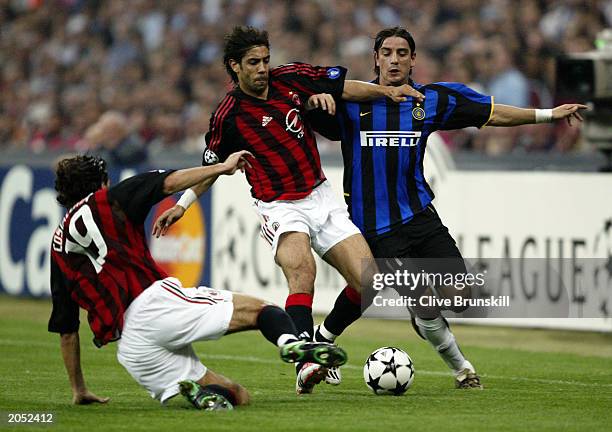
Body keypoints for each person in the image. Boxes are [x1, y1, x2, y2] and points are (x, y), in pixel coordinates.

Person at [305, 26, 587, 389]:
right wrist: (316, 102)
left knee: (460, 297)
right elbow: (302, 109)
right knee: (414, 297)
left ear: (413, 60)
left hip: (420, 216)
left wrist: (549, 114)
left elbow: (492, 114)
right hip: (375, 227)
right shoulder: (351, 102)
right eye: (387, 52)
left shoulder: (431, 100)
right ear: (375, 59)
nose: (394, 59)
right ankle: (462, 370)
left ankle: (330, 335)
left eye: (402, 53)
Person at [153, 26, 425, 395]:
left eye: (265, 60)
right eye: (253, 63)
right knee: (302, 270)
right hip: (279, 205)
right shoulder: (228, 117)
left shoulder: (293, 78)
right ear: (234, 66)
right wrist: (183, 205)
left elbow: (344, 88)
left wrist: (388, 91)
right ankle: (305, 361)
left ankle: (322, 339)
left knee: (369, 283)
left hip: (321, 196)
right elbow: (212, 168)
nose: (263, 68)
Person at [48, 153, 347, 411]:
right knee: (263, 311)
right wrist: (221, 167)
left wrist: (79, 389)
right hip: (154, 304)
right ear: (101, 183)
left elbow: (67, 329)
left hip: (131, 347)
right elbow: (170, 182)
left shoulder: (59, 244)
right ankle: (291, 343)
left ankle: (198, 394)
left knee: (235, 396)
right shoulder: (110, 199)